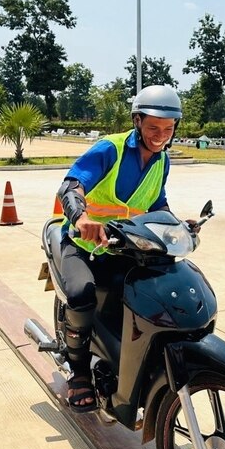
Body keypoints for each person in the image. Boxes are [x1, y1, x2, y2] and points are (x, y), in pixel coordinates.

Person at [55, 85, 185, 412]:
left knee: (156, 290)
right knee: (82, 293)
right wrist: (82, 217)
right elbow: (70, 186)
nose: (160, 136)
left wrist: (179, 224)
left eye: (168, 129)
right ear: (137, 121)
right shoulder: (110, 149)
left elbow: (157, 202)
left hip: (125, 246)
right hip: (85, 244)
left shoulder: (162, 160)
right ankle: (80, 373)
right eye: (153, 127)